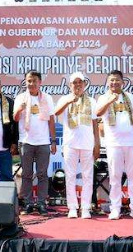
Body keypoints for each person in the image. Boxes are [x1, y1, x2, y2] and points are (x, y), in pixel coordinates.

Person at [96, 70, 133, 220]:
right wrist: (109, 101)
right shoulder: (103, 98)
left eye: (117, 80)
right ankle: (115, 208)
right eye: (111, 80)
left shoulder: (129, 96)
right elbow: (98, 113)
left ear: (122, 82)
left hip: (131, 142)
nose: (114, 83)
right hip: (114, 143)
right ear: (107, 83)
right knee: (115, 176)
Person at [55, 72, 100, 219]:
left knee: (88, 176)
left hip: (87, 143)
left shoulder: (92, 101)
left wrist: (97, 143)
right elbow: (56, 112)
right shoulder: (65, 99)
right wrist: (69, 101)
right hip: (70, 143)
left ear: (85, 84)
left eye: (80, 82)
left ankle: (86, 207)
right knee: (70, 176)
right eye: (75, 82)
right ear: (70, 85)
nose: (78, 85)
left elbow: (95, 124)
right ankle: (72, 207)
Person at [14, 70, 57, 215]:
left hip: (43, 142)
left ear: (40, 82)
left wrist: (53, 141)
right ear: (25, 82)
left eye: (34, 81)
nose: (32, 83)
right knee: (26, 174)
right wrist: (20, 109)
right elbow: (15, 118)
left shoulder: (47, 98)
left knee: (42, 174)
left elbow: (51, 120)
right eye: (29, 81)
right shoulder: (20, 98)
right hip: (26, 141)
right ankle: (27, 203)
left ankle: (41, 203)